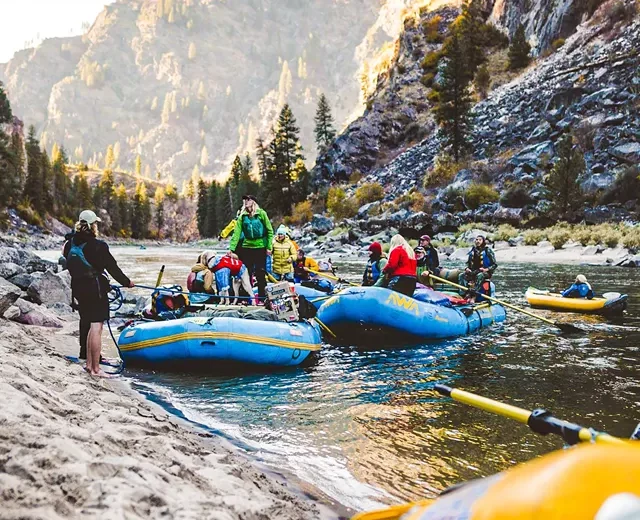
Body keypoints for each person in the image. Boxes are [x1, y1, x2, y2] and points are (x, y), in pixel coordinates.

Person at [63, 210, 133, 377]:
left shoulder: (69, 244)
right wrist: (127, 282)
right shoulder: (99, 246)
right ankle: (95, 369)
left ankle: (89, 364)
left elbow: (66, 259)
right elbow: (113, 268)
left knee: (88, 325)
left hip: (78, 290)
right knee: (96, 328)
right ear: (93, 225)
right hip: (96, 291)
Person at [229, 195, 273, 301]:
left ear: (253, 202)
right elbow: (237, 233)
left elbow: (270, 231)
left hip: (260, 246)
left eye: (248, 199)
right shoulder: (242, 216)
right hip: (247, 247)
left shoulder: (261, 214)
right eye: (245, 200)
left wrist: (269, 247)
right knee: (245, 273)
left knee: (260, 272)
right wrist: (231, 248)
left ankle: (263, 297)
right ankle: (245, 297)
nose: (246, 201)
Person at [459, 235, 498, 301]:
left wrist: (486, 269)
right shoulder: (473, 251)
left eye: (480, 240)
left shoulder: (488, 251)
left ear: (483, 241)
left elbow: (495, 265)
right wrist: (466, 269)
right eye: (476, 240)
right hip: (474, 271)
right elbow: (468, 263)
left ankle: (474, 295)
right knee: (461, 275)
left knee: (479, 276)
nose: (478, 241)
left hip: (485, 272)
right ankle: (464, 294)